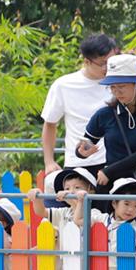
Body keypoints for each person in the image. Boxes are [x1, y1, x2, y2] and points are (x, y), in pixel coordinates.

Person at [76, 55, 136, 190]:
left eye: (121, 86)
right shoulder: (105, 114)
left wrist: (109, 171)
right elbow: (85, 144)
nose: (116, 92)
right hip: (112, 186)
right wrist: (81, 152)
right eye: (112, 87)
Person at [41, 33, 117, 178]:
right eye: (103, 63)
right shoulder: (63, 85)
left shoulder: (119, 82)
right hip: (78, 163)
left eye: (112, 62)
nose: (108, 67)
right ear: (87, 61)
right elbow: (50, 123)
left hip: (114, 162)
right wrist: (49, 161)